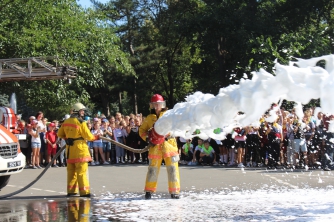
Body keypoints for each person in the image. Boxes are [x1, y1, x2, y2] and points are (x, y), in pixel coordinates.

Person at [139, 94, 181, 199]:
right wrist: (148, 139)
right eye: (155, 104)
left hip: (169, 146)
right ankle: (149, 191)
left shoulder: (169, 115)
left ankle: (174, 191)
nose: (157, 106)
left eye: (159, 104)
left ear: (163, 104)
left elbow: (177, 127)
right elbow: (142, 130)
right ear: (152, 105)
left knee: (172, 169)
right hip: (155, 147)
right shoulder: (149, 118)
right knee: (152, 169)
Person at [57, 102, 96, 197]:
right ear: (77, 111)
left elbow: (59, 134)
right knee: (82, 171)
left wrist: (67, 139)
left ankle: (71, 191)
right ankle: (84, 192)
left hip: (70, 149)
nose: (83, 113)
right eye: (82, 111)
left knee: (71, 171)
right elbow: (88, 136)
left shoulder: (66, 122)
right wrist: (96, 137)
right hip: (80, 150)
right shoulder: (81, 122)